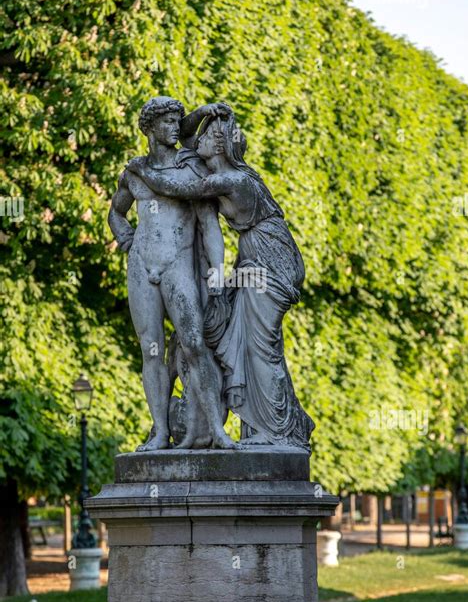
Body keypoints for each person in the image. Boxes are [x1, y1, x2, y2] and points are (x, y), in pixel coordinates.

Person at [127, 110, 314, 450]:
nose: (197, 139)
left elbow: (174, 185)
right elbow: (178, 138)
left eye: (210, 136)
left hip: (270, 259)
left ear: (223, 147)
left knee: (261, 344)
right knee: (238, 337)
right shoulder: (215, 168)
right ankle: (261, 428)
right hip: (253, 257)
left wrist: (141, 169)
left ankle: (276, 431)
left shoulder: (228, 180)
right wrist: (204, 112)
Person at [109, 96, 235, 450]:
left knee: (195, 345)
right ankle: (161, 431)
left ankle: (217, 430)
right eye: (166, 122)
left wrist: (217, 271)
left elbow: (210, 225)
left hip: (177, 265)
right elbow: (116, 212)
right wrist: (126, 239)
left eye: (178, 121)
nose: (174, 128)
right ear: (149, 128)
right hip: (141, 266)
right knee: (151, 352)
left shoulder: (191, 168)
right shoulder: (134, 172)